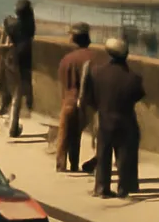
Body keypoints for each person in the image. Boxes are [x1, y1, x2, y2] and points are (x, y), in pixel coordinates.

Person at [82, 36, 145, 199]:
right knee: (125, 154)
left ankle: (102, 188)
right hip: (125, 119)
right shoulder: (134, 77)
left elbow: (90, 98)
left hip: (105, 119)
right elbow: (138, 95)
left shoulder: (97, 72)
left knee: (103, 154)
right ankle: (124, 187)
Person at [55, 23, 95, 173]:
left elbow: (62, 80)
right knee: (76, 133)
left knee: (65, 134)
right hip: (88, 103)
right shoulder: (94, 57)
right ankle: (74, 163)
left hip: (69, 100)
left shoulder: (67, 59)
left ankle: (61, 165)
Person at [0, 0, 36, 137]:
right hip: (24, 61)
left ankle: (11, 123)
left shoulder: (11, 24)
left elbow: (7, 24)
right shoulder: (30, 26)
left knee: (14, 93)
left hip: (11, 59)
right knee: (18, 94)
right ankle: (13, 126)